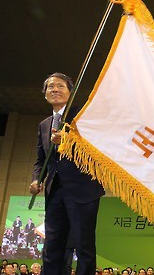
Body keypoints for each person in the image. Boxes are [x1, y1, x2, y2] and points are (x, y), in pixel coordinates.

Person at [29, 72, 105, 275]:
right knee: (52, 244)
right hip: (55, 191)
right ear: (45, 94)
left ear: (70, 92)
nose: (55, 89)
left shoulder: (84, 116)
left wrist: (68, 140)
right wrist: (37, 179)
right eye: (50, 87)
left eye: (61, 86)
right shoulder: (44, 125)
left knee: (83, 245)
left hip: (83, 189)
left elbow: (97, 148)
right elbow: (40, 160)